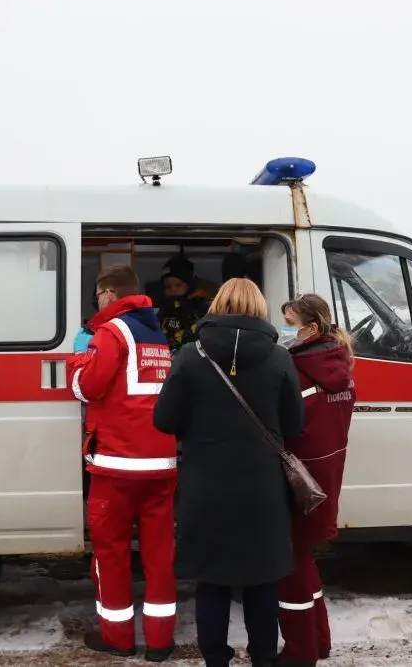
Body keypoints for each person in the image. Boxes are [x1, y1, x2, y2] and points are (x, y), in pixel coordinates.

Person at [153, 278, 305, 667]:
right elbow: (294, 424)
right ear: (260, 309)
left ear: (217, 306)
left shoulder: (190, 355)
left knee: (212, 583)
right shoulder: (279, 357)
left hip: (206, 488)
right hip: (263, 490)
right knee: (262, 582)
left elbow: (164, 420)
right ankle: (264, 659)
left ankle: (216, 660)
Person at [66, 265, 178, 661]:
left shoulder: (112, 333)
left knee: (112, 554)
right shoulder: (156, 335)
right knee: (159, 555)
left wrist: (79, 358)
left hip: (118, 465)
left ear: (110, 295)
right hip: (160, 465)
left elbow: (87, 387)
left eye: (98, 297)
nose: (97, 303)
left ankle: (119, 638)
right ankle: (161, 642)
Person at [275, 294, 356, 667]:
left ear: (311, 326)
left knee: (291, 566)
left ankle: (300, 652)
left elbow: (286, 424)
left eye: (290, 322)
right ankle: (319, 641)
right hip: (325, 476)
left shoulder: (298, 367)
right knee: (304, 558)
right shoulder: (338, 362)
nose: (285, 330)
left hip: (299, 479)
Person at [158, 262, 210, 351]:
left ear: (188, 285)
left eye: (178, 285)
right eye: (168, 286)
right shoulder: (163, 310)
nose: (173, 289)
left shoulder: (202, 308)